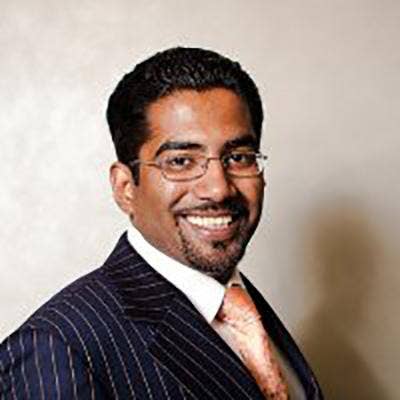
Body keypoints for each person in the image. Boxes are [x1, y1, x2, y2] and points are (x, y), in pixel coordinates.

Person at [0, 47, 323, 399]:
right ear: (125, 187)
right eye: (181, 161)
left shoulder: (242, 310)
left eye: (238, 157)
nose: (218, 188)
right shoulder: (57, 349)